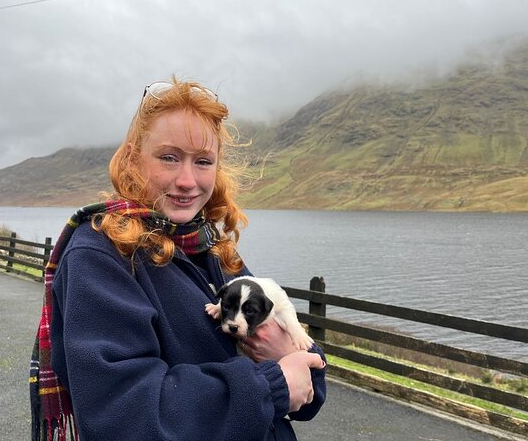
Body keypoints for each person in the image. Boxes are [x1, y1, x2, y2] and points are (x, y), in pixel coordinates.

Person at [30, 78, 326, 441]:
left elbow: (310, 386)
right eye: (169, 157)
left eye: (203, 161)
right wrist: (273, 385)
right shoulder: (100, 255)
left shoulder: (211, 247)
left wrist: (288, 354)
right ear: (134, 158)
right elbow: (124, 414)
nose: (187, 180)